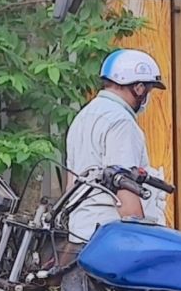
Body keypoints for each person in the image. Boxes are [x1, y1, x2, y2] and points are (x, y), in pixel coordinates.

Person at [65, 48, 168, 242]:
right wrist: (140, 241)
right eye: (149, 90)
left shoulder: (83, 116)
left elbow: (71, 181)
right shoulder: (121, 122)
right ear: (138, 88)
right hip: (111, 236)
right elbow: (125, 188)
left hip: (80, 233)